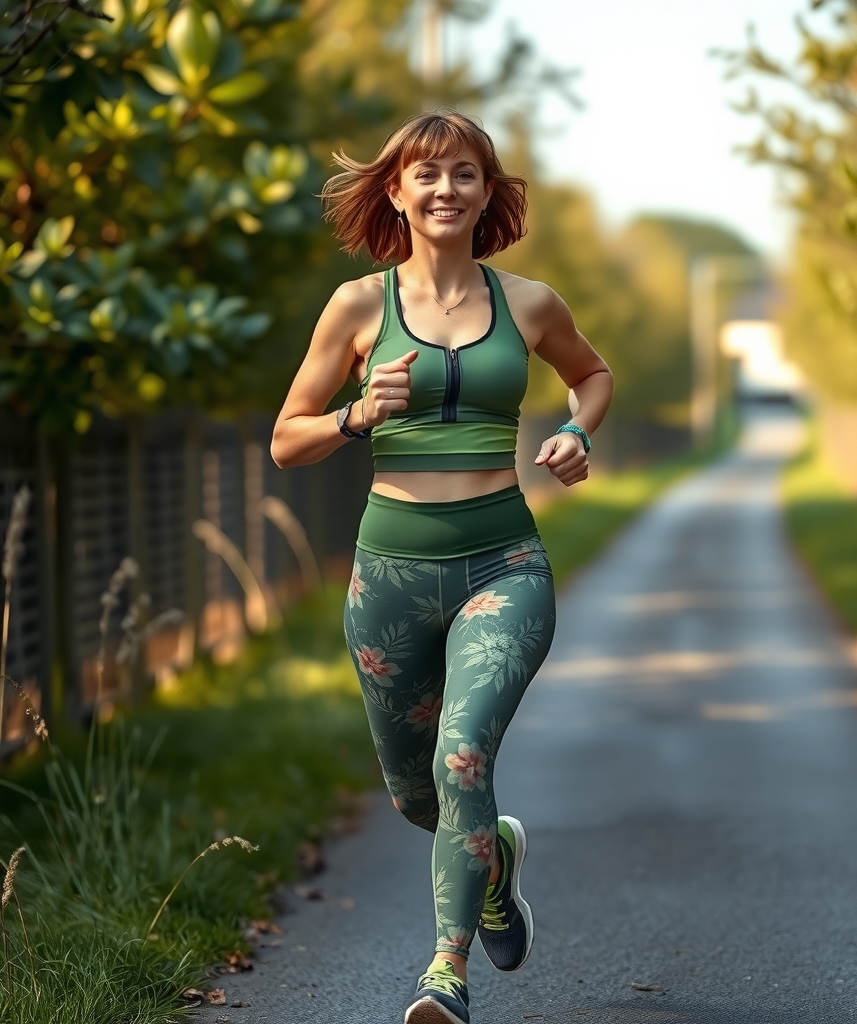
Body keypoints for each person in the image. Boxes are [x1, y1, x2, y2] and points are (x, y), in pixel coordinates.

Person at [271, 110, 613, 1024]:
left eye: (465, 173)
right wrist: (355, 415)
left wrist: (579, 430)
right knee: (420, 794)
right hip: (390, 576)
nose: (446, 189)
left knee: (464, 757)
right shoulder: (356, 307)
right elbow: (284, 442)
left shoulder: (530, 302)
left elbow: (593, 374)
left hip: (503, 564)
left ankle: (445, 976)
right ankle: (493, 861)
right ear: (396, 191)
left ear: (487, 192)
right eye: (426, 175)